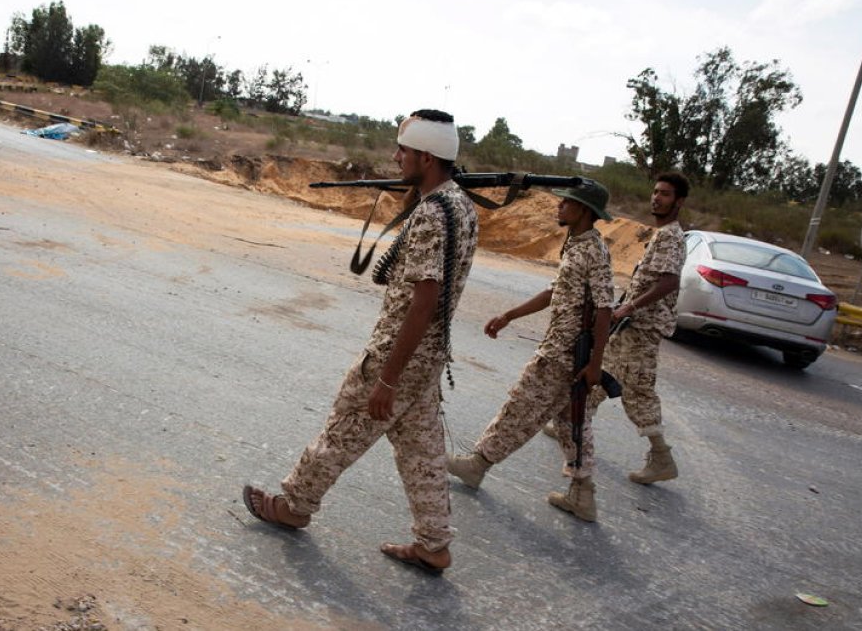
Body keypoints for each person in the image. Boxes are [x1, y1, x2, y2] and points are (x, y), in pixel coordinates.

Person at [242, 109, 479, 575]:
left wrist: (387, 378)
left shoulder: (433, 214)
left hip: (399, 355)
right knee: (422, 451)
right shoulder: (462, 206)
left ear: (427, 158)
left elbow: (424, 298)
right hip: (429, 357)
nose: (396, 157)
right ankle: (434, 543)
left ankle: (294, 505)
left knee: (343, 429)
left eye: (404, 150)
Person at [447, 180, 614, 522]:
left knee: (520, 404)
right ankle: (583, 494)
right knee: (570, 421)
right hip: (563, 348)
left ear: (583, 210)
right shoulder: (576, 244)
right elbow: (555, 290)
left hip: (564, 353)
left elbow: (605, 309)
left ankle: (477, 465)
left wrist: (595, 364)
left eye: (567, 202)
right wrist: (509, 315)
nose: (559, 206)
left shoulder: (594, 251)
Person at [582, 171, 688, 484]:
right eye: (656, 192)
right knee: (601, 369)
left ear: (679, 201)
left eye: (665, 194)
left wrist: (630, 306)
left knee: (638, 391)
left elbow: (669, 281)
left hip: (644, 327)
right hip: (632, 323)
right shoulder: (662, 233)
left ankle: (661, 458)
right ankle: (575, 422)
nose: (657, 198)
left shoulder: (671, 236)